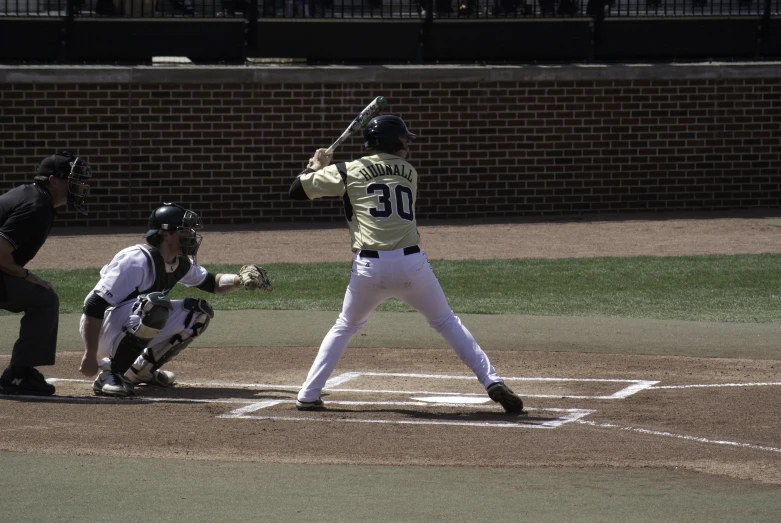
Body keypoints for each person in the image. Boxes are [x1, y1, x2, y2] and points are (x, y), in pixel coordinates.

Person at [288, 115, 525, 415]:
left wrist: (315, 167)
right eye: (402, 140)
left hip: (368, 268)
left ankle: (308, 394)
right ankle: (492, 381)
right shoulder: (409, 172)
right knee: (446, 322)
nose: (407, 146)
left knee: (346, 326)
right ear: (389, 142)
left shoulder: (347, 170)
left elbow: (296, 190)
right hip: (412, 264)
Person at [79, 202, 272, 397]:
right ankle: (110, 373)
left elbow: (212, 282)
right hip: (104, 327)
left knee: (197, 312)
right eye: (184, 230)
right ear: (165, 234)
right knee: (155, 306)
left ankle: (140, 370)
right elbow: (94, 305)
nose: (191, 235)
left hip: (132, 320)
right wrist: (89, 354)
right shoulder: (136, 260)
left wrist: (240, 280)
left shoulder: (178, 263)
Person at [0, 151, 92, 396]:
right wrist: (27, 275)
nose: (79, 187)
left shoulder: (31, 196)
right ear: (53, 180)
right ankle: (18, 375)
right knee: (43, 298)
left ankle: (19, 373)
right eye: (72, 181)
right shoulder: (36, 205)